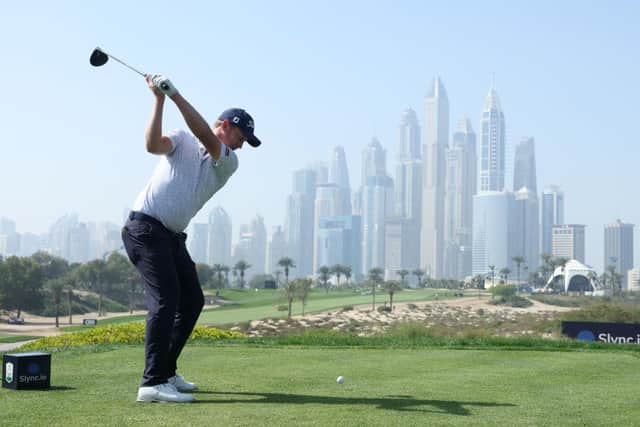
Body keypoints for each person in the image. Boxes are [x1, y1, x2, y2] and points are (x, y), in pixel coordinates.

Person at [121, 74, 261, 403]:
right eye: (243, 135)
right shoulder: (181, 140)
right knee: (166, 300)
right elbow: (151, 145)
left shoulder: (228, 161)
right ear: (226, 124)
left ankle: (166, 370)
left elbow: (205, 136)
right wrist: (159, 99)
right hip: (145, 228)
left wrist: (175, 96)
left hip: (170, 236)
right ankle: (152, 383)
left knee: (192, 300)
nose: (243, 143)